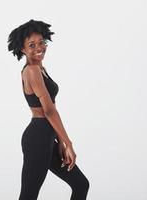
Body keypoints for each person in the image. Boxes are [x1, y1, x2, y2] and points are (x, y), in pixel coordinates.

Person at [7, 19, 90, 200]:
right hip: (37, 138)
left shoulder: (40, 68)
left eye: (42, 42)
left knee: (81, 184)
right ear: (22, 49)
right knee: (28, 195)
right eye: (31, 45)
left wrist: (59, 140)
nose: (39, 47)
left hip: (47, 136)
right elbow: (49, 111)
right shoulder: (32, 71)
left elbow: (52, 105)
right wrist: (69, 143)